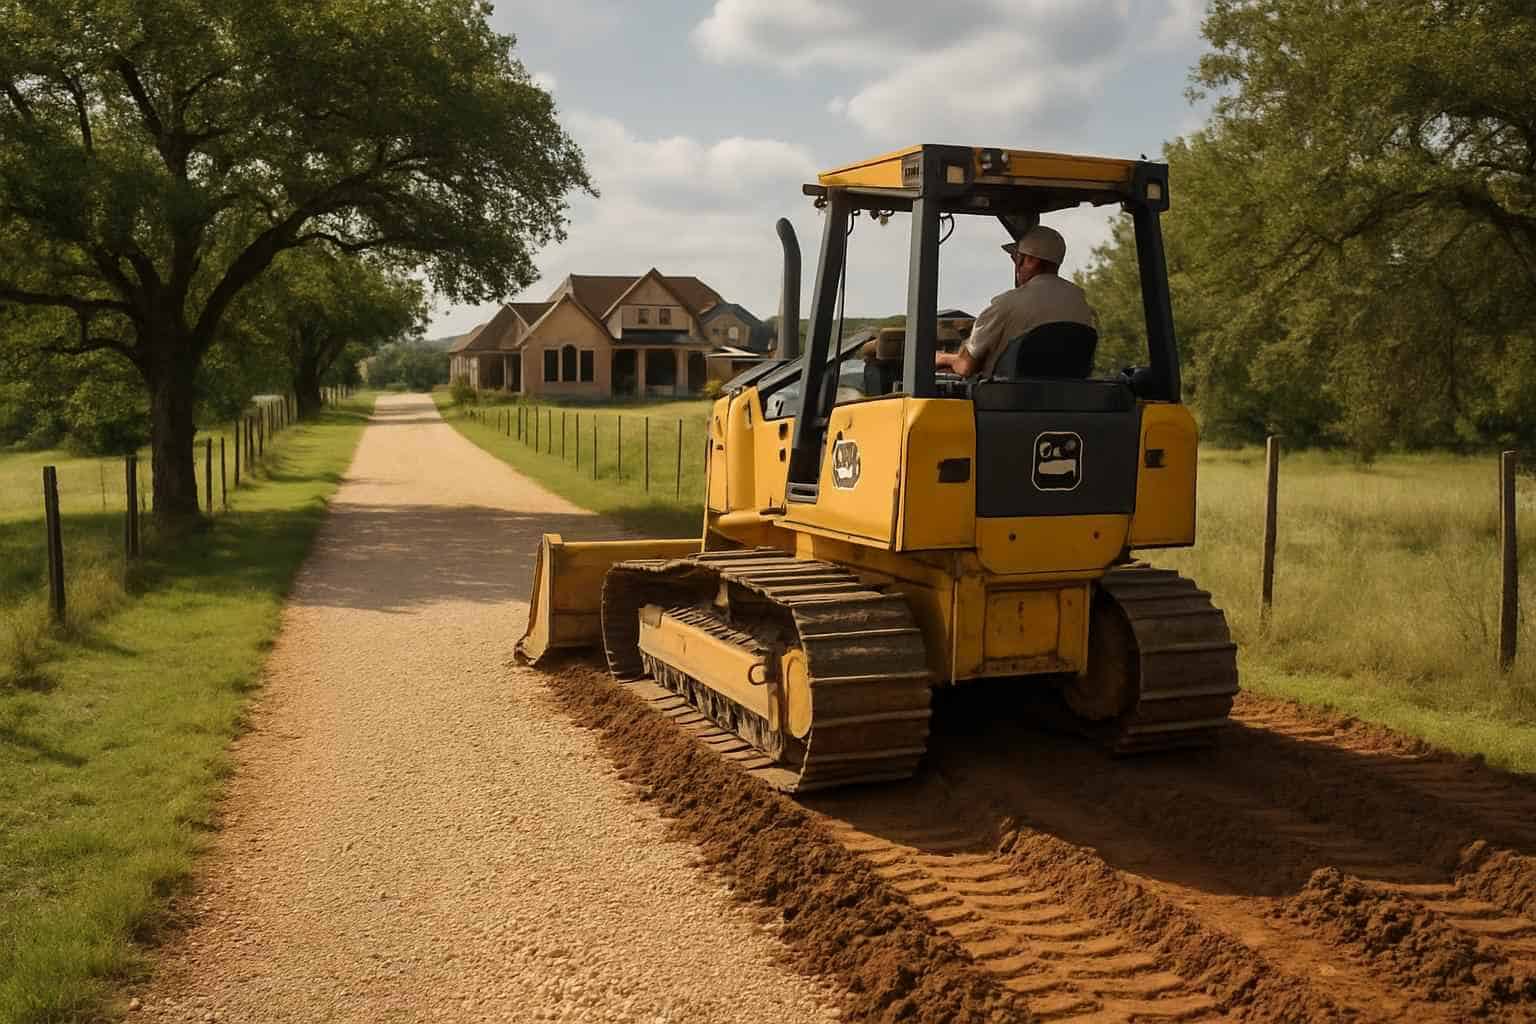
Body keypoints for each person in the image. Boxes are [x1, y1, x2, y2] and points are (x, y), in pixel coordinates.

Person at [935, 225, 1096, 377]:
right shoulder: (1081, 303)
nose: (1016, 266)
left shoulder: (1006, 304)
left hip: (1003, 400)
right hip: (1069, 398)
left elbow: (965, 366)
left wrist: (942, 358)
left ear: (1031, 261)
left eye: (1017, 259)